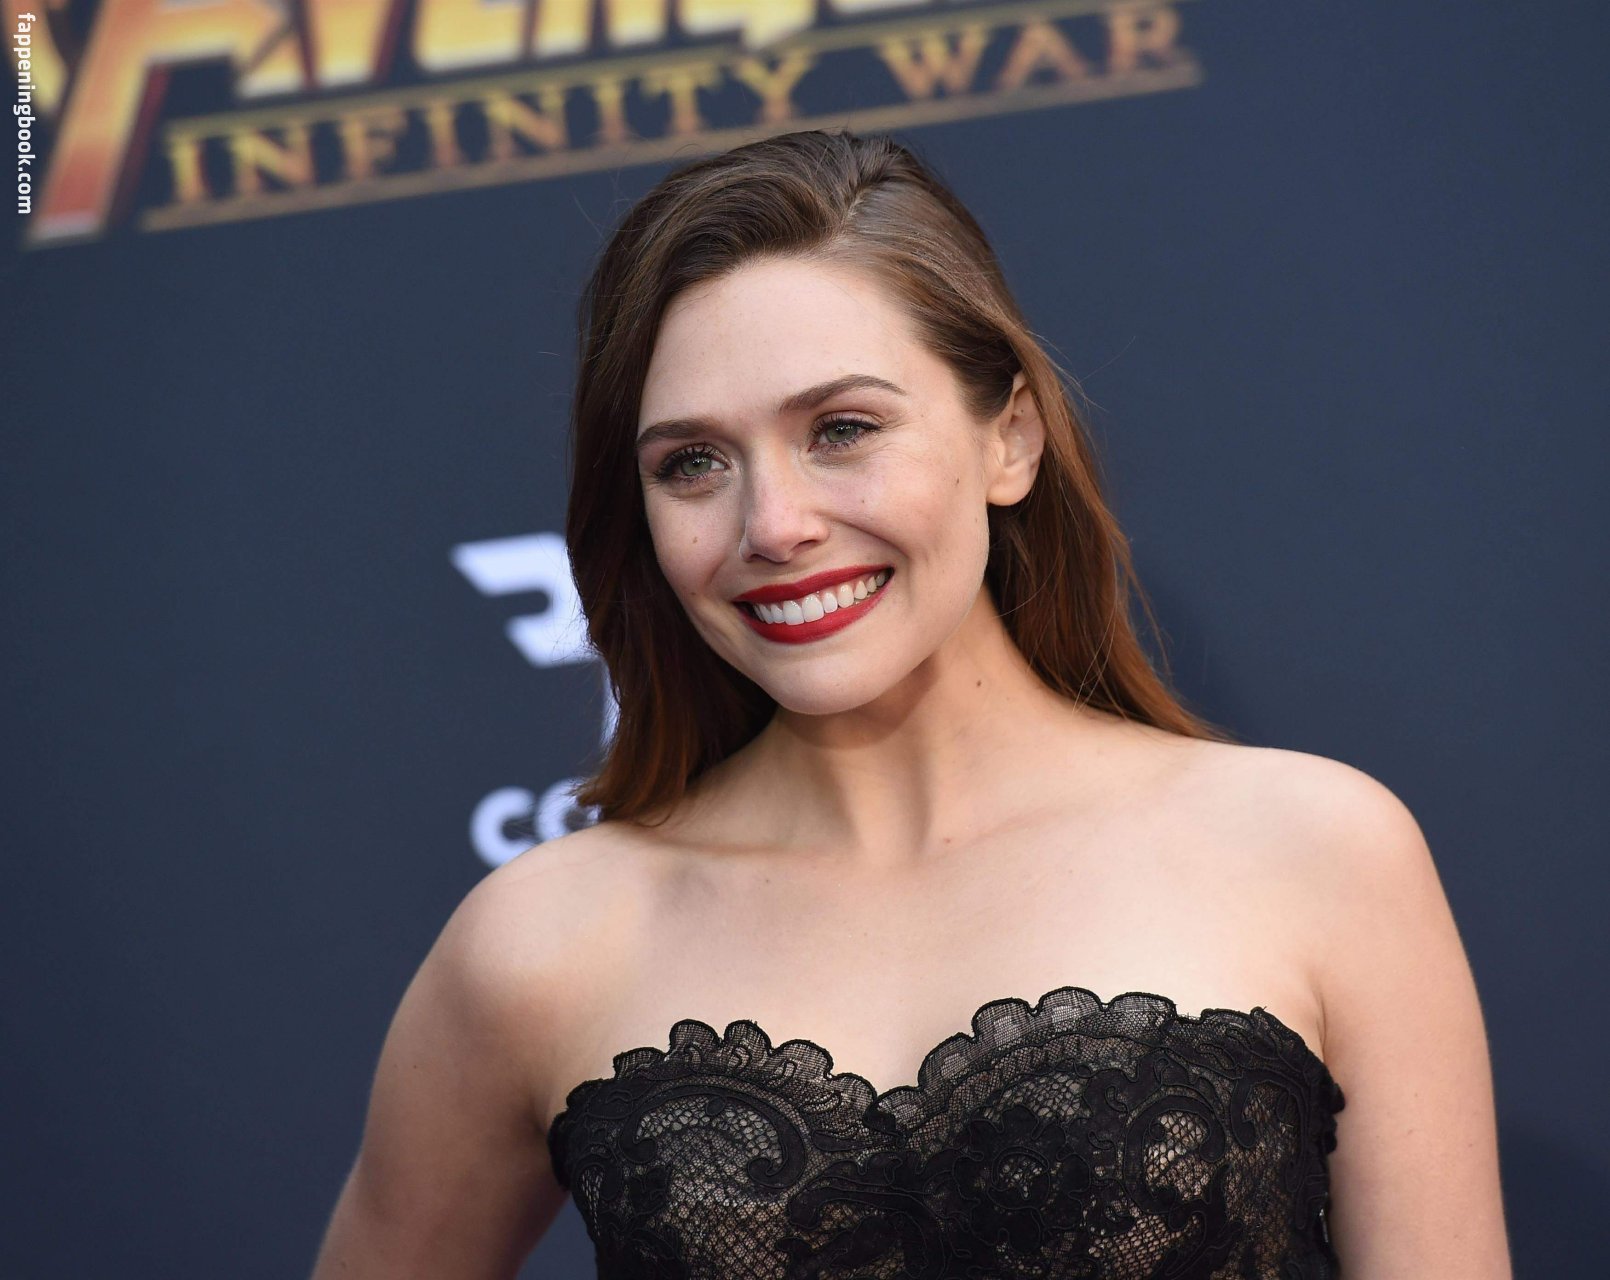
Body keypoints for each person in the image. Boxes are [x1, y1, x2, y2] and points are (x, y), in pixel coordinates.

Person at [311, 128, 1510, 1278]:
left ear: (1009, 440)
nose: (773, 524)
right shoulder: (542, 940)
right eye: (692, 462)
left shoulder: (1309, 851)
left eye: (841, 429)